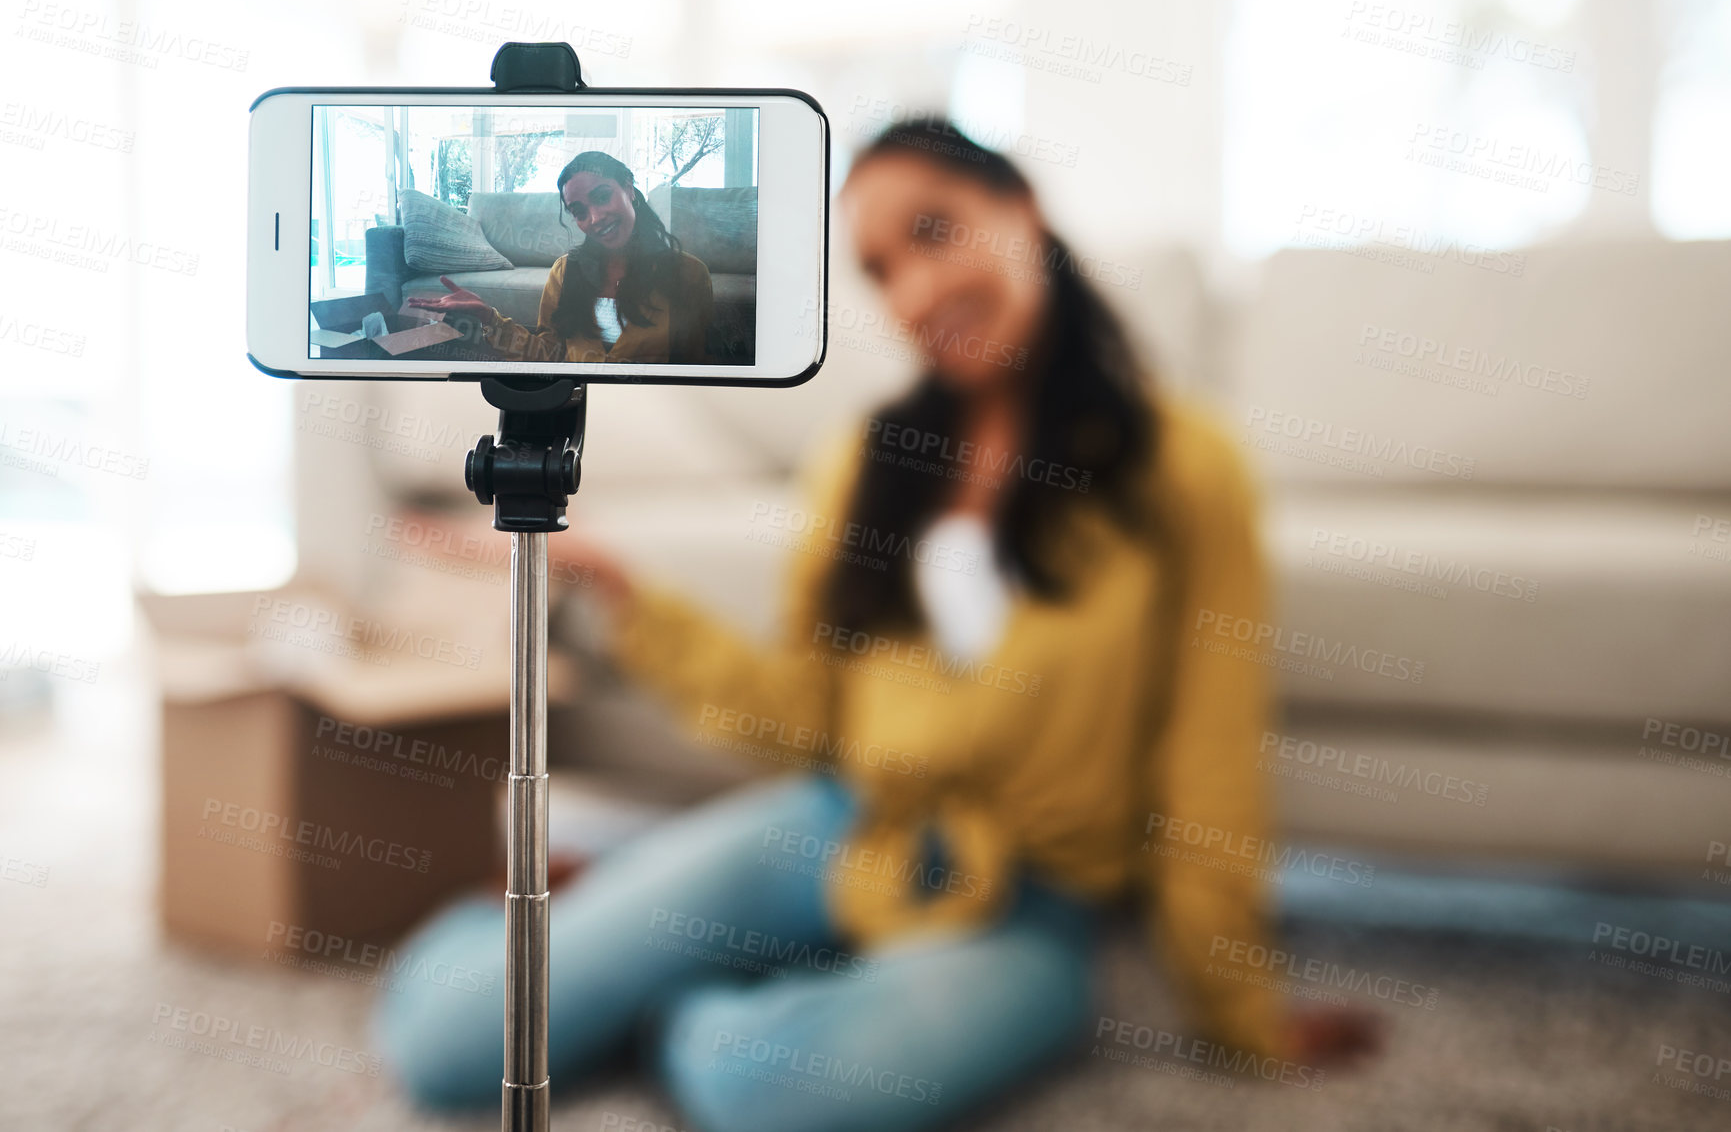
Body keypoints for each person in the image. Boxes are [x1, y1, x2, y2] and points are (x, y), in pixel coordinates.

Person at [374, 121, 1378, 1132]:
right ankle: (621, 928)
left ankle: (669, 973)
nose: (914, 294)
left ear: (1021, 207)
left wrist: (1238, 1012)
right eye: (880, 270)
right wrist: (619, 586)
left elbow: (1210, 758)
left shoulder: (1186, 465)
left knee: (759, 1088)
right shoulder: (869, 460)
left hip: (1028, 905)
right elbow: (806, 713)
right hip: (837, 827)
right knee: (450, 1044)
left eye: (936, 232)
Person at [408, 150, 715, 365]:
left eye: (602, 196)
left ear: (629, 189)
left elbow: (693, 367)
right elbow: (549, 354)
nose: (594, 218)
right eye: (579, 211)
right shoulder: (566, 271)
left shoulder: (688, 274)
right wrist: (488, 316)